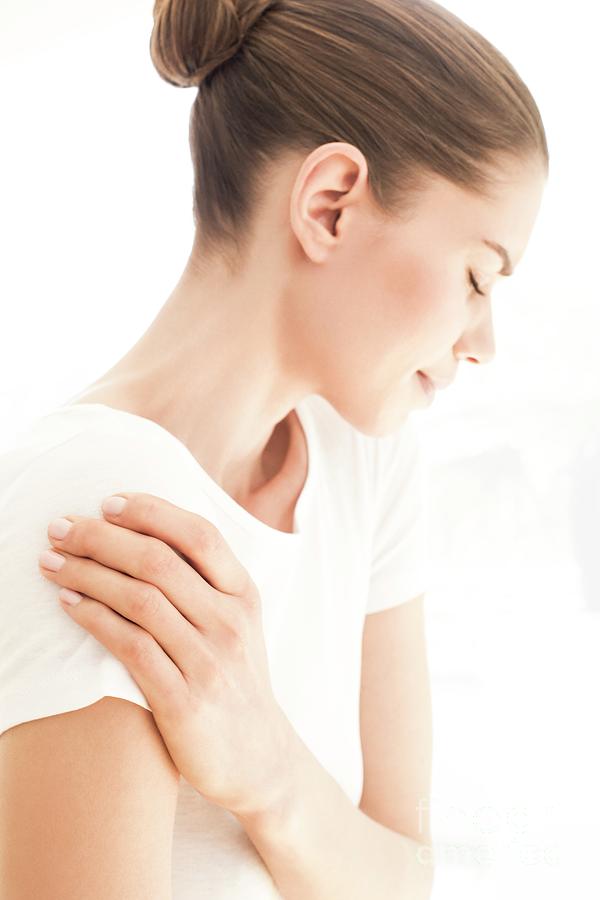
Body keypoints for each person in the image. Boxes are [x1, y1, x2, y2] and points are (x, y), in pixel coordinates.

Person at [0, 0, 548, 897]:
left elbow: (406, 878)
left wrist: (271, 774)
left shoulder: (364, 460)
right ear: (330, 205)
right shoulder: (103, 513)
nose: (484, 341)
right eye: (478, 277)